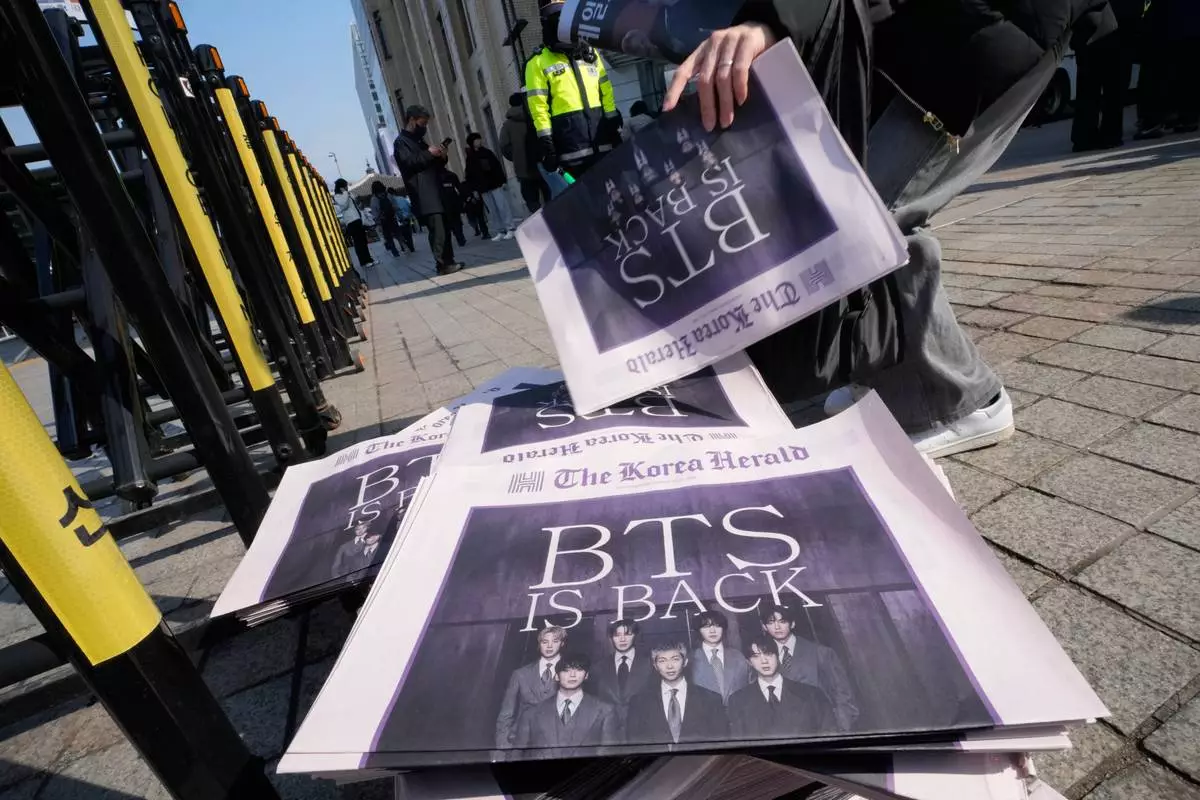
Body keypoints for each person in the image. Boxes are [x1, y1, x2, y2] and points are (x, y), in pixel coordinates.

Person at [659, 0, 1114, 458]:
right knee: (847, 208)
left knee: (870, 218)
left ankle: (953, 401)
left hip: (987, 25)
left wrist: (773, 17)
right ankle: (888, 381)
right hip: (934, 31)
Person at [525, 0, 623, 179]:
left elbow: (606, 90)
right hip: (571, 151)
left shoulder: (590, 55)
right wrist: (547, 143)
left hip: (602, 143)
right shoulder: (537, 62)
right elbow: (538, 108)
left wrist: (612, 121)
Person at [758, 604, 858, 730]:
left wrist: (838, 729)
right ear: (764, 627)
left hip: (821, 728)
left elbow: (844, 696)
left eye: (782, 621)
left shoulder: (821, 653)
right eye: (771, 622)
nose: (777, 627)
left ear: (792, 624)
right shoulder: (762, 660)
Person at [393, 104, 463, 276]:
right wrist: (429, 153)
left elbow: (431, 163)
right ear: (412, 120)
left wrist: (441, 156)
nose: (424, 127)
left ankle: (449, 261)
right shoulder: (401, 142)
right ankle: (442, 265)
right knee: (437, 231)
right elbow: (409, 162)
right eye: (422, 123)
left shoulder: (418, 141)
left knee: (444, 228)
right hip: (424, 193)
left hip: (436, 191)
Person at [727, 637, 838, 739]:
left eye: (768, 654)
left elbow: (829, 734)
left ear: (778, 656)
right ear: (749, 662)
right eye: (756, 656)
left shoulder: (812, 694)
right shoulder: (738, 701)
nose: (764, 661)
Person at [511, 652, 618, 758]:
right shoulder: (531, 714)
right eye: (566, 670)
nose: (572, 675)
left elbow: (608, 755)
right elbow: (516, 756)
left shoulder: (605, 711)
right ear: (556, 676)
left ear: (586, 675)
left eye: (579, 669)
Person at [625, 642, 728, 746]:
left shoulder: (711, 700)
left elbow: (720, 742)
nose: (669, 666)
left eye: (675, 659)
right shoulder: (639, 703)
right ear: (655, 666)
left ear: (685, 662)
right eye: (662, 661)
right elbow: (635, 744)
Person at [1071, 0, 1141, 151]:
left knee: (1087, 89)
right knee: (1115, 90)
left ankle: (1084, 137)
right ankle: (1110, 135)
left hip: (1087, 30)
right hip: (1116, 32)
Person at [494, 626, 567, 748]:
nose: (549, 646)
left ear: (562, 643)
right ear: (539, 644)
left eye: (555, 641)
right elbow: (506, 713)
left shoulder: (573, 673)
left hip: (557, 743)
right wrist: (502, 745)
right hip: (519, 743)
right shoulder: (520, 674)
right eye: (544, 642)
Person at [590, 618, 655, 732]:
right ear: (611, 638)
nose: (622, 639)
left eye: (627, 634)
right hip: (608, 732)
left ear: (635, 636)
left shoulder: (650, 665)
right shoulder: (598, 668)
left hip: (643, 730)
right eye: (617, 635)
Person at [499, 92, 550, 213]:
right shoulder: (533, 117)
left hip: (523, 167)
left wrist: (516, 155)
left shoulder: (507, 126)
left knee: (531, 198)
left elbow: (504, 147)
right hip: (540, 162)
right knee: (548, 191)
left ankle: (538, 219)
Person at [689, 609, 752, 705]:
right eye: (706, 626)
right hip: (704, 713)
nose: (712, 630)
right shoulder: (691, 660)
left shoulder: (738, 656)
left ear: (724, 629)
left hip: (739, 712)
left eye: (717, 626)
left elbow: (751, 686)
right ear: (699, 630)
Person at [464, 133, 517, 240]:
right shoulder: (470, 158)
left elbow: (497, 167)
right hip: (483, 188)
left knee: (502, 206)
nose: (479, 141)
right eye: (476, 140)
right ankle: (500, 230)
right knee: (492, 210)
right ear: (472, 143)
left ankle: (511, 228)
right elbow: (469, 175)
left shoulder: (487, 153)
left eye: (479, 139)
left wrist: (503, 181)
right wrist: (474, 190)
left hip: (495, 184)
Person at [332, 178, 373, 270]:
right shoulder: (337, 196)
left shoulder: (347, 194)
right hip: (351, 221)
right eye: (345, 186)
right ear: (341, 187)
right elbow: (344, 205)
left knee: (363, 241)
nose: (347, 187)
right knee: (358, 242)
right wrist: (345, 193)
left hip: (357, 219)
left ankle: (369, 259)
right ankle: (364, 261)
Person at [369, 180, 403, 257]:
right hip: (392, 218)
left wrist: (378, 223)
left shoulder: (373, 199)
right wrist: (400, 216)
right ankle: (404, 247)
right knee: (398, 234)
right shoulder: (388, 195)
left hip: (383, 220)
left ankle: (395, 253)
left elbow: (375, 213)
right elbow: (396, 207)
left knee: (388, 237)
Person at [438, 167, 470, 247]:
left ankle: (458, 235)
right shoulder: (451, 175)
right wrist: (463, 199)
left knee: (451, 221)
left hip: (445, 203)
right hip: (454, 201)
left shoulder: (436, 177)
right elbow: (459, 188)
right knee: (457, 220)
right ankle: (460, 237)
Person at [388, 188, 417, 253]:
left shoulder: (390, 201)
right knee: (408, 234)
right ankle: (411, 247)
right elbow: (409, 206)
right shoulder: (402, 198)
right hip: (407, 218)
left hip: (398, 220)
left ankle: (404, 247)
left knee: (400, 235)